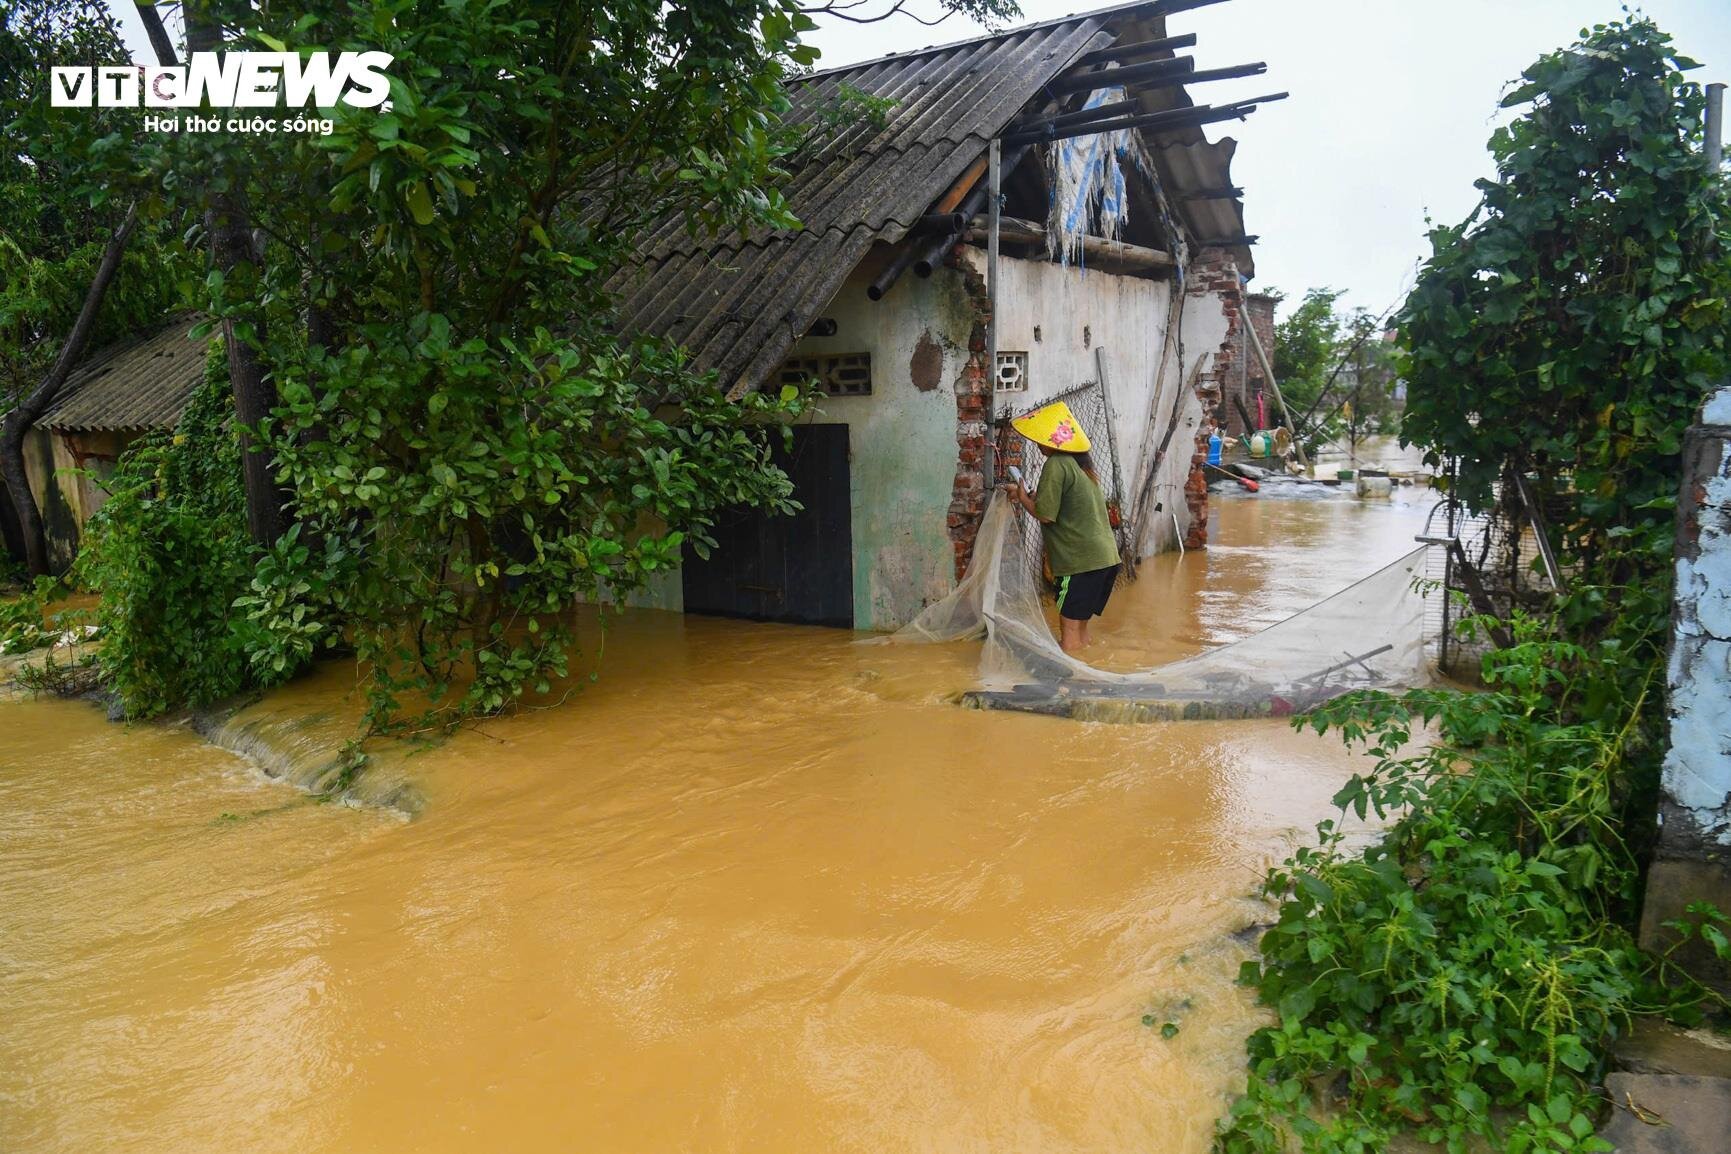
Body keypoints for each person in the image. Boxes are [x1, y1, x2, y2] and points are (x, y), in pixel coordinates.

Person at [1005, 400, 1121, 655]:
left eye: (1041, 439)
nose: (1037, 444)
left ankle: (1072, 689)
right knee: (1082, 634)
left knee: (1068, 638)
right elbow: (1062, 507)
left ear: (1054, 441)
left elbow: (1045, 515)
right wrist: (1029, 497)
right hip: (1105, 560)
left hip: (1079, 563)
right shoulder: (1081, 467)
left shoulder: (1056, 464)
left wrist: (1023, 497)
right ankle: (1090, 669)